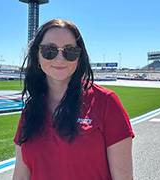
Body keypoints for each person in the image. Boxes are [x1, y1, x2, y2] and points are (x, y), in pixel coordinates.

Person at [13, 19, 135, 180]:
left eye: (70, 51)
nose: (60, 59)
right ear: (37, 55)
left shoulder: (106, 102)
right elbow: (20, 176)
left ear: (79, 57)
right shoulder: (31, 110)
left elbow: (123, 177)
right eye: (50, 50)